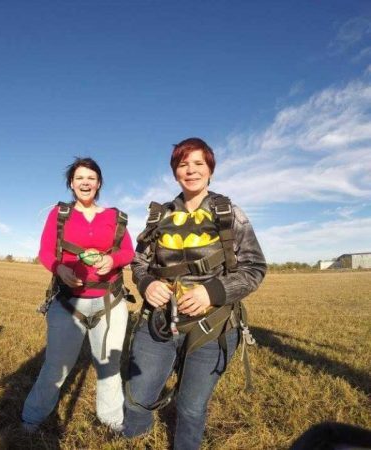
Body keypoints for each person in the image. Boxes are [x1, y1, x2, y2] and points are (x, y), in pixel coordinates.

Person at [122, 138, 267, 449]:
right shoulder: (159, 216)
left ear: (210, 170)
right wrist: (147, 284)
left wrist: (212, 291)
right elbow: (139, 263)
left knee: (190, 408)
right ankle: (133, 441)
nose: (191, 170)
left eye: (198, 163)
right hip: (158, 322)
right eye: (183, 164)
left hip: (212, 327)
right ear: (175, 172)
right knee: (137, 398)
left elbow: (254, 268)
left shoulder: (228, 212)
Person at [22, 157, 134, 432]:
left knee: (109, 367)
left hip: (110, 302)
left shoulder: (115, 217)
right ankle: (32, 418)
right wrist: (59, 268)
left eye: (91, 178)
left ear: (99, 183)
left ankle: (112, 422)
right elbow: (46, 252)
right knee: (55, 367)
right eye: (80, 178)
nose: (85, 182)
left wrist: (113, 261)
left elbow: (128, 251)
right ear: (71, 184)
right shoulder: (60, 215)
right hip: (67, 302)